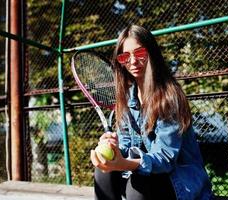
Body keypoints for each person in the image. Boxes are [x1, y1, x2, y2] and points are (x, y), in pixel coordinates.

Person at [90, 24, 213, 200]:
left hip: (179, 183)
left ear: (152, 53)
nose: (133, 61)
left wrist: (124, 163)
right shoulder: (126, 98)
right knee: (103, 172)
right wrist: (113, 148)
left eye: (139, 53)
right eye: (125, 56)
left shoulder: (169, 97)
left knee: (138, 185)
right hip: (148, 179)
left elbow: (165, 159)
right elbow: (125, 145)